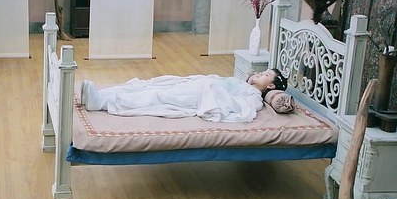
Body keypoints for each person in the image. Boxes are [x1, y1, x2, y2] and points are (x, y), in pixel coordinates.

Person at [80, 68, 287, 122]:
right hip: (197, 86)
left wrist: (212, 88)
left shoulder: (254, 96)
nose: (260, 73)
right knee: (148, 86)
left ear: (270, 86)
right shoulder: (243, 84)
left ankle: (100, 102)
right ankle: (102, 95)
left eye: (266, 75)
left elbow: (241, 109)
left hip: (200, 94)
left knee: (157, 96)